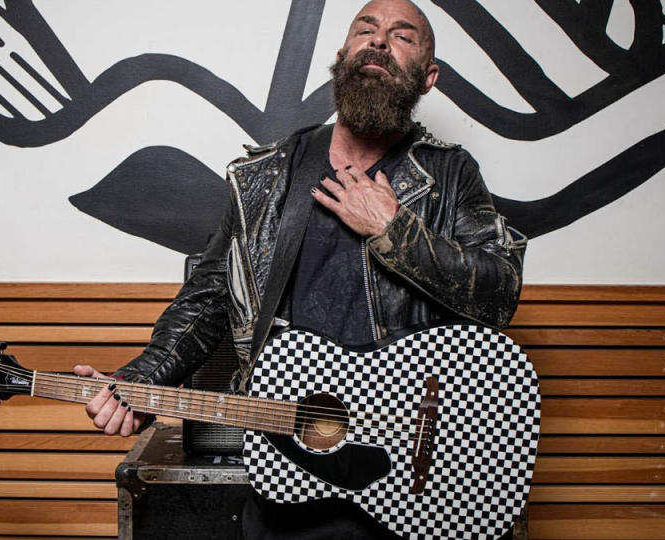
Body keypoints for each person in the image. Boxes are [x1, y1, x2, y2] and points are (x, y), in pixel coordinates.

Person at [75, 0, 528, 538]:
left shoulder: (450, 173)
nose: (379, 41)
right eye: (366, 29)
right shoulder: (266, 176)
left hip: (414, 480)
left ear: (427, 78)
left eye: (402, 37)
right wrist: (142, 382)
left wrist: (394, 230)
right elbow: (207, 298)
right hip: (287, 470)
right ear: (343, 56)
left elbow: (499, 295)